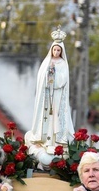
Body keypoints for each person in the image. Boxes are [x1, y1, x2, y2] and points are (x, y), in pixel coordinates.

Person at [25, 27, 75, 167]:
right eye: (55, 50)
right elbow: (41, 78)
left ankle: (55, 142)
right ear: (51, 49)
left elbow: (62, 81)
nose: (56, 52)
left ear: (62, 51)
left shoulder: (63, 64)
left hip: (58, 97)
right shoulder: (46, 62)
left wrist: (55, 75)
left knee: (56, 120)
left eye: (59, 50)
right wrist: (48, 74)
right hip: (46, 96)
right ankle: (44, 141)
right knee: (45, 119)